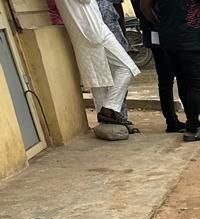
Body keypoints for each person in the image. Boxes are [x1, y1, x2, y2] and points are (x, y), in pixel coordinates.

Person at [56, 0, 140, 133]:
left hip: (84, 30)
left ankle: (107, 124)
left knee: (98, 79)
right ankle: (109, 109)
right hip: (93, 29)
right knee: (126, 68)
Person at [142, 0, 200, 141]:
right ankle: (190, 125)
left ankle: (180, 122)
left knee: (178, 80)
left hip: (165, 37)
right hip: (183, 39)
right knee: (192, 84)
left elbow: (144, 8)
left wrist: (160, 23)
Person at [132, 0, 183, 131]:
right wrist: (160, 23)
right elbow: (144, 9)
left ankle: (172, 120)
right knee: (168, 78)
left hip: (158, 31)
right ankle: (172, 120)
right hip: (159, 31)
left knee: (167, 78)